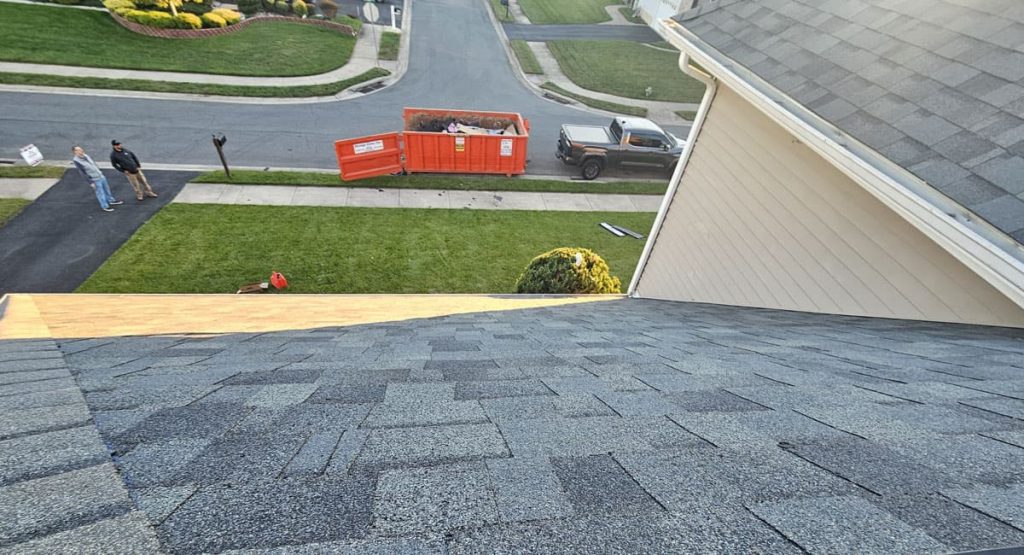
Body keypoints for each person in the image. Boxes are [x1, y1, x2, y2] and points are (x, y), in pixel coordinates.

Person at [71, 145, 122, 212]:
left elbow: (93, 164)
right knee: (100, 193)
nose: (81, 150)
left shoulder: (86, 156)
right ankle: (105, 206)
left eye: (81, 149)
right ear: (75, 152)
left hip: (100, 176)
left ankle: (111, 200)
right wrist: (91, 182)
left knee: (106, 189)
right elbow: (82, 173)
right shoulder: (76, 161)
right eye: (79, 150)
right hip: (94, 179)